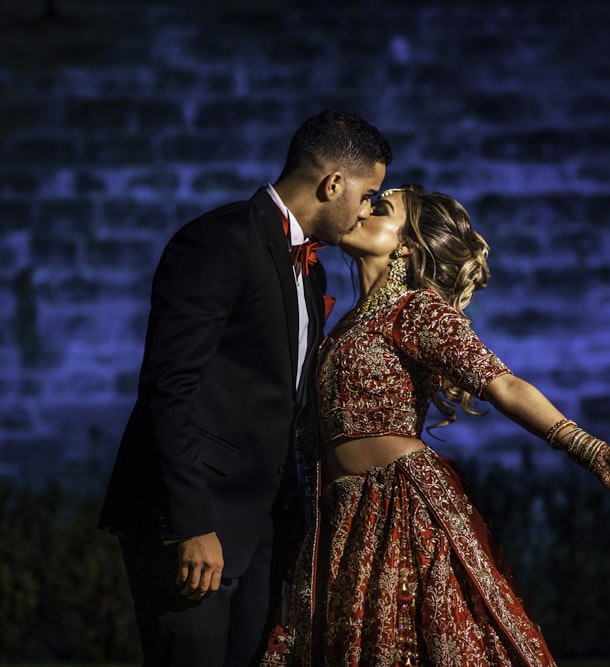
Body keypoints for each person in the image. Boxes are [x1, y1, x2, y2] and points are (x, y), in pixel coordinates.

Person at [262, 184, 610, 666]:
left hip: (399, 508)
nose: (362, 212)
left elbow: (503, 385)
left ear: (407, 244)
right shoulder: (344, 324)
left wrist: (587, 449)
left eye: (379, 208)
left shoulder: (418, 310)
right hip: (341, 518)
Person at [97, 110, 393, 667]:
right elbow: (169, 387)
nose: (367, 209)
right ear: (333, 185)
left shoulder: (314, 273)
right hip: (192, 525)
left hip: (261, 529)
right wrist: (191, 524)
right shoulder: (218, 240)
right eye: (367, 194)